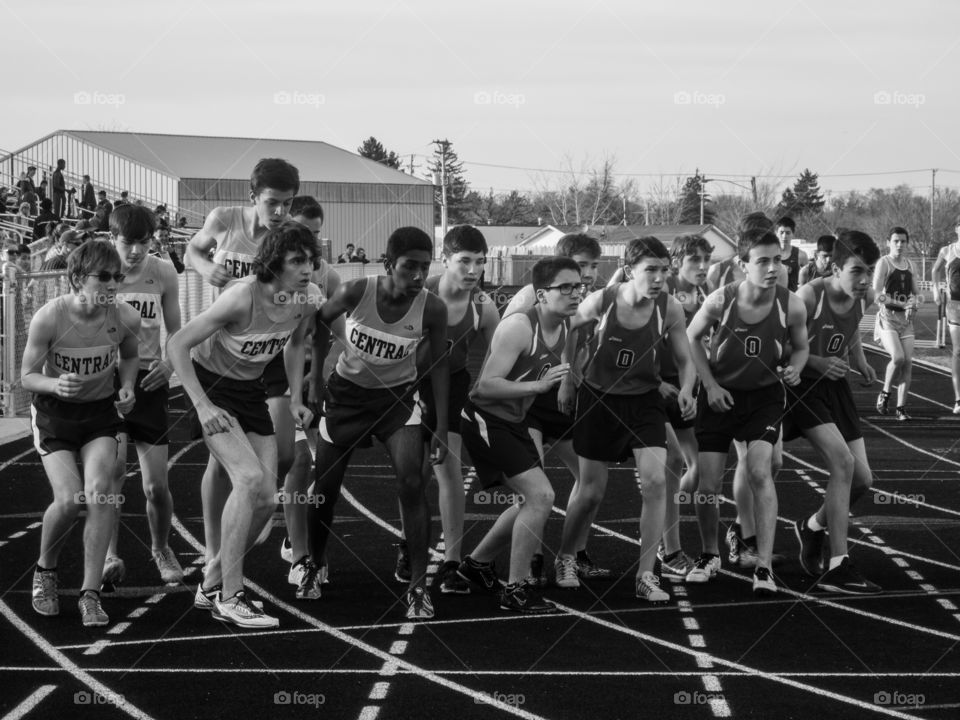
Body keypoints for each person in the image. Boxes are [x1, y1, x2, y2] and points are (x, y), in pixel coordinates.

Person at [168, 222, 321, 629]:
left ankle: (211, 582)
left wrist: (295, 397)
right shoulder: (241, 296)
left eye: (311, 260)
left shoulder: (307, 298)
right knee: (249, 478)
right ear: (275, 262)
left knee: (267, 500)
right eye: (297, 260)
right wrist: (201, 407)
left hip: (251, 391)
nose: (307, 268)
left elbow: (294, 343)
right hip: (212, 388)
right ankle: (231, 596)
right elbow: (177, 343)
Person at [304, 227, 449, 620]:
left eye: (425, 267)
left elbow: (438, 366)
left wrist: (439, 426)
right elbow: (319, 323)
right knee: (325, 488)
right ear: (388, 264)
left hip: (396, 402)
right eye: (409, 266)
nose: (418, 275)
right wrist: (314, 380)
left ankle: (418, 585)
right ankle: (315, 564)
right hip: (346, 399)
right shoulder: (357, 291)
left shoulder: (433, 309)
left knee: (412, 482)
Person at [557, 237, 696, 603]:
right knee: (591, 490)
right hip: (599, 400)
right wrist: (569, 378)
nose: (659, 278)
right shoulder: (602, 300)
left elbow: (685, 359)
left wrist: (687, 388)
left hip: (644, 401)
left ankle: (646, 574)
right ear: (630, 270)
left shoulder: (670, 307)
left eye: (664, 270)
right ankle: (566, 556)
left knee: (655, 482)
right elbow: (570, 328)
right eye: (650, 270)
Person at [183, 158, 300, 575]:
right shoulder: (224, 219)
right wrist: (205, 266)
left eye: (288, 203)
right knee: (220, 462)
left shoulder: (287, 237)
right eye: (272, 202)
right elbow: (192, 249)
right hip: (220, 349)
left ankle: (253, 508)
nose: (280, 212)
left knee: (283, 454)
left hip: (267, 350)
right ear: (253, 197)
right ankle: (214, 550)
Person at [22, 240, 140, 627]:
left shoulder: (125, 316)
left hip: (99, 414)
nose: (112, 284)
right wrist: (55, 384)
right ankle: (46, 570)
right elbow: (26, 377)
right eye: (103, 277)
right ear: (76, 279)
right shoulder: (49, 318)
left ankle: (90, 593)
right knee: (70, 499)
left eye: (117, 277)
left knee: (101, 492)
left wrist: (127, 386)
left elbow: (130, 355)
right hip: (54, 415)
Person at [686, 228, 808, 595]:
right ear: (743, 264)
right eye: (763, 261)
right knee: (708, 484)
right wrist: (709, 385)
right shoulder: (720, 301)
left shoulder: (792, 305)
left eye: (777, 260)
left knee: (760, 471)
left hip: (764, 399)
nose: (772, 268)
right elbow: (691, 337)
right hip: (720, 397)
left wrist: (796, 368)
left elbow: (801, 347)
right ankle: (709, 555)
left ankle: (764, 566)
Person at [458, 256, 580, 613]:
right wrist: (538, 387)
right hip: (484, 419)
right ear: (541, 295)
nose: (575, 293)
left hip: (513, 421)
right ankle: (515, 589)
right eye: (565, 287)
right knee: (541, 495)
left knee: (531, 498)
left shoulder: (566, 324)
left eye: (578, 286)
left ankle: (477, 564)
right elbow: (484, 387)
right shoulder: (519, 327)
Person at [392, 225, 499, 594]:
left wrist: (484, 389)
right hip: (409, 383)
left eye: (480, 262)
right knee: (413, 473)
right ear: (445, 259)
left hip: (452, 385)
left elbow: (498, 356)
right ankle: (409, 544)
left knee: (448, 467)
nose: (473, 270)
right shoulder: (419, 293)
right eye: (465, 261)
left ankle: (451, 563)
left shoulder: (483, 307)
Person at [501, 233, 610, 585]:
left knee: (592, 482)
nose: (588, 274)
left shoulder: (589, 298)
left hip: (568, 399)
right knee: (536, 489)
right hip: (531, 402)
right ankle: (532, 560)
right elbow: (506, 349)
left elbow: (582, 343)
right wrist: (556, 381)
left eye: (593, 266)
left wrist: (577, 379)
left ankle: (572, 554)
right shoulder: (527, 300)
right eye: (581, 266)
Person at [788, 230, 883, 594]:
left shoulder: (865, 296)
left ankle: (812, 526)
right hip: (801, 388)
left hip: (835, 386)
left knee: (863, 480)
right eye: (856, 271)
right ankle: (838, 565)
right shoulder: (808, 296)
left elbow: (851, 330)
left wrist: (860, 360)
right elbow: (778, 348)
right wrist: (817, 361)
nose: (864, 280)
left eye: (869, 271)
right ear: (836, 268)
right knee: (842, 463)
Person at [102, 205, 184, 589]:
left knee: (155, 486)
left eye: (143, 242)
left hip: (150, 381)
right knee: (114, 472)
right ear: (111, 238)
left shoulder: (163, 271)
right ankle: (109, 554)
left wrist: (169, 364)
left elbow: (176, 331)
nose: (135, 251)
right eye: (127, 243)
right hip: (108, 382)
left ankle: (161, 548)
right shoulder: (101, 272)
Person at [272, 196, 343, 591]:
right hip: (270, 380)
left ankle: (302, 540)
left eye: (316, 234)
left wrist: (318, 378)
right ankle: (301, 556)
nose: (310, 241)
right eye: (303, 232)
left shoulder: (324, 278)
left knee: (325, 468)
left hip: (311, 378)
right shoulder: (267, 270)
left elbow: (333, 334)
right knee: (296, 462)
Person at [656, 234, 712, 581]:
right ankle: (667, 545)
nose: (703, 267)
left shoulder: (705, 294)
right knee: (672, 463)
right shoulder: (663, 291)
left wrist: (695, 385)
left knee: (699, 467)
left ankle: (661, 526)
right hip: (653, 387)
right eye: (695, 260)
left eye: (707, 259)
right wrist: (656, 381)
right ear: (676, 263)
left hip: (685, 386)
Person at [873, 227, 919, 421]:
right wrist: (903, 304)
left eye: (903, 241)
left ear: (907, 243)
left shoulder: (911, 265)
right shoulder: (884, 263)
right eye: (896, 241)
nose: (899, 245)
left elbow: (916, 293)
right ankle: (885, 393)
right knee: (898, 357)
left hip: (905, 322)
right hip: (888, 318)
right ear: (888, 243)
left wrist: (913, 303)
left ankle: (901, 408)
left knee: (907, 362)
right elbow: (877, 295)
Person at [930, 216, 960, 414]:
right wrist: (935, 290)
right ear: (957, 228)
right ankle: (958, 399)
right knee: (958, 350)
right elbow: (935, 270)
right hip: (955, 306)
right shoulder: (947, 251)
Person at [776, 216, 807, 292]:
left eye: (788, 233)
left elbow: (808, 280)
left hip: (792, 296)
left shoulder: (801, 255)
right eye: (781, 232)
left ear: (792, 234)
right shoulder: (769, 254)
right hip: (773, 296)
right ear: (776, 233)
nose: (784, 236)